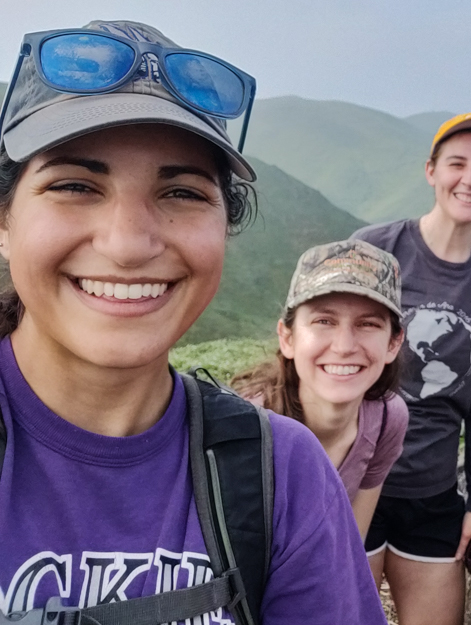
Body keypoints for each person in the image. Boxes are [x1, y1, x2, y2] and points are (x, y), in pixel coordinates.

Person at [0, 20, 385, 624]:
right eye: (75, 185)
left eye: (181, 193)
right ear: (4, 221)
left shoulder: (281, 474)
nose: (127, 244)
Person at [352, 112, 471, 625]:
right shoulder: (377, 249)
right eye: (457, 164)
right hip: (355, 485)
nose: (470, 179)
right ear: (431, 171)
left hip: (434, 495)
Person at [231, 239, 408, 540]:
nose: (344, 347)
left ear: (393, 343)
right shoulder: (243, 427)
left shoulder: (387, 419)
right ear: (287, 338)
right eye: (324, 321)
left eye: (368, 324)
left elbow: (349, 544)